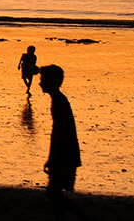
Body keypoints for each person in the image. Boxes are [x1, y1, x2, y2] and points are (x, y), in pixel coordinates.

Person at [40, 64, 86, 220]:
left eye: (42, 79)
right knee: (56, 192)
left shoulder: (58, 101)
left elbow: (58, 132)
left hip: (64, 152)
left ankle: (82, 216)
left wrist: (52, 157)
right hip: (68, 150)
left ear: (51, 82)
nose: (40, 83)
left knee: (53, 192)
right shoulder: (59, 99)